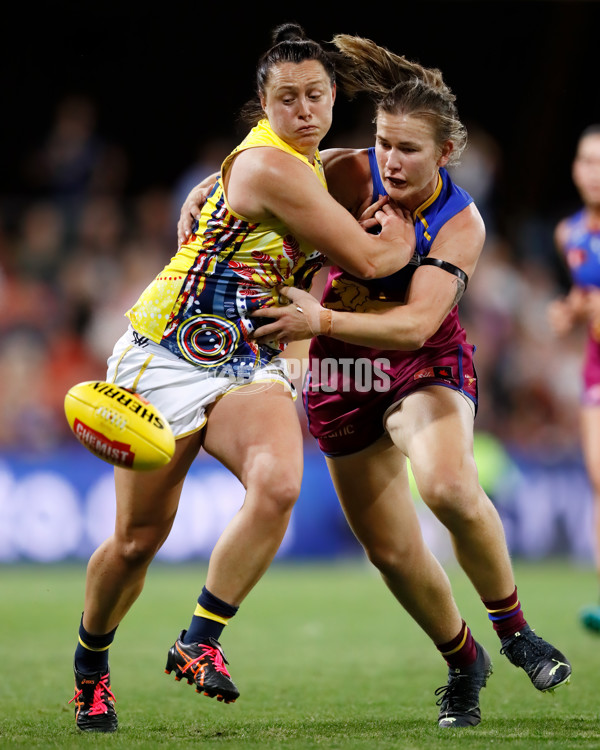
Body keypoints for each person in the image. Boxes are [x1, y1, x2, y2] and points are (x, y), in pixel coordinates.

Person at [179, 34, 572, 728]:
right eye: (384, 142)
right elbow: (262, 174)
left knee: (448, 485)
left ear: (446, 155)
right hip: (339, 372)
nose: (389, 159)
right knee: (389, 549)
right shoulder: (349, 172)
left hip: (420, 364)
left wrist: (319, 317)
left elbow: (417, 326)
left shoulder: (460, 224)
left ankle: (515, 634)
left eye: (409, 149)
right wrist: (210, 189)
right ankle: (463, 662)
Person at [68, 24, 416, 733]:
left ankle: (198, 640)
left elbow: (398, 161)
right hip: (165, 353)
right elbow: (371, 260)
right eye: (286, 99)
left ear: (332, 95)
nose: (304, 111)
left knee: (280, 483)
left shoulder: (312, 164)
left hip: (247, 358)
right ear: (264, 104)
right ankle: (90, 669)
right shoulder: (271, 169)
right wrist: (400, 239)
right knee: (136, 541)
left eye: (316, 95)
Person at [547, 124, 600, 633]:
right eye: (587, 161)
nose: (594, 173)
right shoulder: (570, 234)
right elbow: (586, 299)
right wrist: (570, 310)